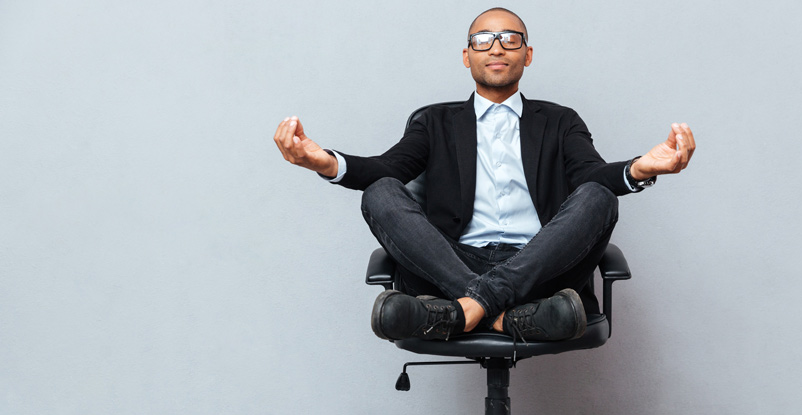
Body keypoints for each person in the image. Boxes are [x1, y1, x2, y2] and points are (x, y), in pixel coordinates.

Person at [274, 7, 696, 343]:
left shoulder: (561, 121)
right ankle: (505, 316)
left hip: (539, 265)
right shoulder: (434, 123)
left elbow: (592, 174)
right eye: (483, 40)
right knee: (380, 191)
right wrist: (326, 162)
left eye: (510, 39)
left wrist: (639, 169)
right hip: (454, 262)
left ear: (527, 54)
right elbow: (388, 169)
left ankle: (462, 312)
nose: (497, 48)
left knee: (598, 197)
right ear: (467, 56)